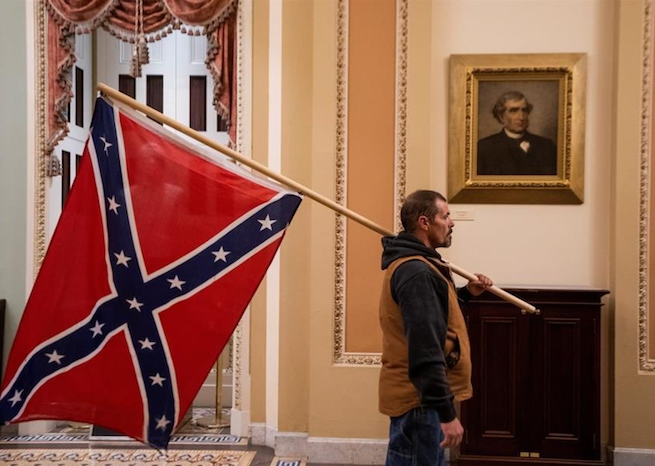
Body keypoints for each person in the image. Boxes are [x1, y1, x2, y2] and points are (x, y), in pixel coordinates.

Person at [379, 190, 493, 466]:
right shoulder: (416, 271)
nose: (451, 222)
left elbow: (433, 317)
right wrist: (446, 413)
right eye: (446, 216)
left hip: (421, 399)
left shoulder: (422, 266)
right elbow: (425, 346)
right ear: (424, 223)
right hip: (421, 402)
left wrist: (465, 294)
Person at [477, 91, 557, 175]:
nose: (521, 117)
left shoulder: (547, 146)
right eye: (514, 111)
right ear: (501, 116)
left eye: (524, 110)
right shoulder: (484, 148)